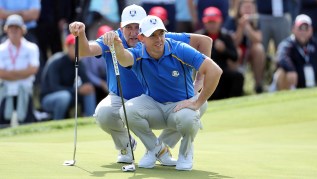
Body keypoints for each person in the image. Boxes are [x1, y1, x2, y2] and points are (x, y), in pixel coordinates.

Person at [69, 4, 213, 166]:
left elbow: (205, 41)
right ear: (121, 27)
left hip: (153, 98)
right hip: (122, 97)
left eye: (137, 27)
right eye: (128, 27)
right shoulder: (111, 38)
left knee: (186, 109)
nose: (133, 32)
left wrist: (199, 81)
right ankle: (128, 146)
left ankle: (159, 148)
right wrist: (80, 34)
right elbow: (85, 51)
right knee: (104, 113)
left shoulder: (157, 36)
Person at [103, 15, 222, 170]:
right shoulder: (138, 52)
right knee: (127, 111)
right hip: (154, 106)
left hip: (179, 106)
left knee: (188, 117)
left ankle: (185, 153)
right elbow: (125, 59)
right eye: (153, 35)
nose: (159, 39)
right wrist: (118, 46)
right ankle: (156, 149)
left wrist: (197, 102)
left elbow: (215, 70)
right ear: (141, 38)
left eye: (161, 33)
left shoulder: (179, 48)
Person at [40, 34, 96, 120]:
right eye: (74, 47)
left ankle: (91, 120)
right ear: (67, 47)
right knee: (64, 96)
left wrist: (83, 88)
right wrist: (77, 90)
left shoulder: (79, 62)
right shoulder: (56, 61)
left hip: (69, 94)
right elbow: (54, 87)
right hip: (48, 99)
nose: (78, 50)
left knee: (89, 89)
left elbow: (87, 83)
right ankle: (58, 123)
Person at [0, 14, 39, 127]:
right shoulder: (1, 49)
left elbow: (33, 69)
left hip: (25, 90)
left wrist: (10, 74)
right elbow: (1, 73)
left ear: (22, 30)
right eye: (11, 28)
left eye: (16, 28)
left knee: (27, 124)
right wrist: (22, 73)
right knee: (2, 126)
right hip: (6, 91)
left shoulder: (32, 47)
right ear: (6, 30)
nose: (14, 31)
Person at [196, 7, 243, 99]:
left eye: (214, 22)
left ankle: (234, 102)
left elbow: (235, 57)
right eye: (209, 22)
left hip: (223, 72)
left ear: (220, 21)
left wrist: (224, 50)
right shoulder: (199, 37)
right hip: (205, 74)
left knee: (238, 76)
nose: (212, 25)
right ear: (204, 23)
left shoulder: (226, 36)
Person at [224, 0, 266, 93]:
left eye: (251, 7)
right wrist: (241, 27)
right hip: (237, 51)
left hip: (250, 51)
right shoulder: (231, 20)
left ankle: (258, 85)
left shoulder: (255, 20)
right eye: (246, 7)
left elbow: (258, 39)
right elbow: (233, 42)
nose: (248, 9)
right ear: (239, 8)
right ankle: (237, 86)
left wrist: (248, 27)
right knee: (237, 51)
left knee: (259, 49)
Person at [269, 14, 317, 91]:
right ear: (293, 29)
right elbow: (281, 58)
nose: (303, 32)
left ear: (311, 30)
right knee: (282, 72)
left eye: (306, 28)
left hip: (313, 84)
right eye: (300, 28)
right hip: (294, 86)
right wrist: (291, 69)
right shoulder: (287, 44)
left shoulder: (316, 46)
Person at [81, 25, 112, 104]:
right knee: (87, 86)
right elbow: (85, 72)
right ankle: (88, 114)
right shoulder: (91, 47)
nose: (107, 43)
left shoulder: (116, 48)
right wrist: (101, 83)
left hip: (106, 80)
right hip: (88, 79)